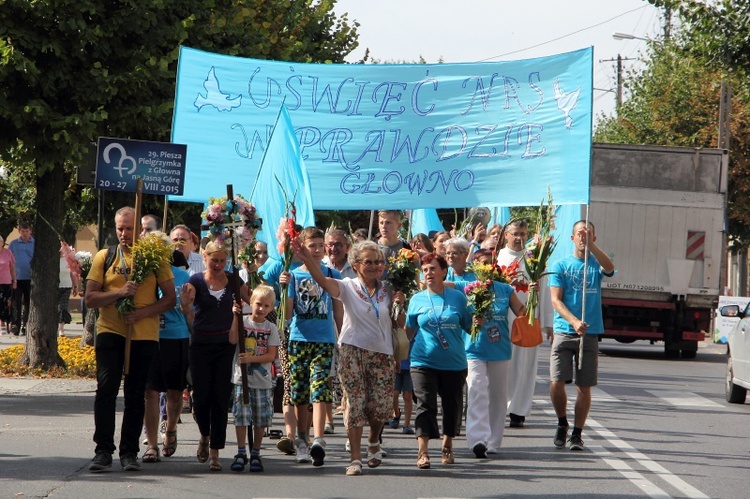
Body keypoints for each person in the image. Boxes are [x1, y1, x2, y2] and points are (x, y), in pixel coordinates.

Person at [292, 238, 405, 476]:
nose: (375, 266)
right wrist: (308, 260)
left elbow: (398, 323)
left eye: (378, 262)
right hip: (352, 351)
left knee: (381, 408)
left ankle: (373, 439)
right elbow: (322, 281)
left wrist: (400, 305)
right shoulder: (347, 286)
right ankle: (355, 459)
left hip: (382, 353)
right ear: (355, 264)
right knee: (354, 405)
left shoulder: (388, 289)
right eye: (368, 262)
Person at [86, 207, 176, 472]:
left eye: (129, 228)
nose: (124, 234)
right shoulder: (105, 256)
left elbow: (170, 298)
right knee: (106, 389)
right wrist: (118, 293)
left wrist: (142, 313)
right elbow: (90, 298)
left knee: (136, 393)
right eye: (119, 228)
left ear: (140, 229)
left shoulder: (153, 258)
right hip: (111, 330)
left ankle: (129, 452)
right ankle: (103, 450)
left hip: (143, 334)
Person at [179, 241, 250, 471]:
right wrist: (186, 305)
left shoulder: (234, 279)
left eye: (222, 260)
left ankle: (215, 452)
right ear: (205, 257)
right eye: (214, 260)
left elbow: (253, 298)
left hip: (225, 344)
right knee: (201, 397)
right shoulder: (196, 281)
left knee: (221, 398)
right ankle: (204, 435)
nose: (218, 265)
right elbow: (187, 309)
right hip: (200, 344)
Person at [548, 220, 615, 451]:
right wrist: (574, 321)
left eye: (587, 234)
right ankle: (561, 422)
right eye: (579, 233)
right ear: (572, 237)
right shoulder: (561, 265)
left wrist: (591, 248)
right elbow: (555, 300)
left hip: (590, 332)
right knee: (557, 382)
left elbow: (610, 267)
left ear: (593, 238)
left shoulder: (595, 264)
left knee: (583, 386)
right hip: (565, 331)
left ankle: (577, 433)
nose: (582, 237)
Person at [405, 254, 475, 469]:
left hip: (453, 362)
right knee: (424, 404)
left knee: (451, 405)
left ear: (444, 272)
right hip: (422, 360)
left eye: (433, 268)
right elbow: (408, 331)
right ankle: (423, 451)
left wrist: (479, 319)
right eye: (425, 269)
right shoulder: (416, 299)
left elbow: (469, 327)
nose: (429, 273)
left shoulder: (457, 297)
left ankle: (447, 445)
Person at [285, 227, 342, 467]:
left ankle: (318, 439)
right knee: (299, 393)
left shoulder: (332, 273)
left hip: (324, 340)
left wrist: (342, 337)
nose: (318, 250)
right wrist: (282, 287)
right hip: (299, 339)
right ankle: (301, 440)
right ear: (302, 249)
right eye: (312, 246)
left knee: (320, 390)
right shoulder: (294, 276)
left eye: (321, 245)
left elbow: (338, 309)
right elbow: (287, 314)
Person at [464, 264, 526, 458]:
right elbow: (444, 284)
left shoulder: (504, 289)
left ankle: (493, 441)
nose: (486, 274)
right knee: (476, 389)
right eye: (481, 268)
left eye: (489, 269)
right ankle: (477, 439)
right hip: (473, 349)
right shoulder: (467, 286)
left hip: (500, 349)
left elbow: (522, 312)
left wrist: (532, 295)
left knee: (498, 396)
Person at [498, 218, 550, 430]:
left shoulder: (534, 259)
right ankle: (501, 405)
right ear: (506, 235)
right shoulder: (497, 257)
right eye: (515, 233)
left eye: (523, 234)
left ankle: (518, 410)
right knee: (502, 365)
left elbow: (544, 291)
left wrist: (547, 325)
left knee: (524, 365)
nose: (519, 238)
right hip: (502, 319)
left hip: (527, 318)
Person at [142, 249, 191, 464]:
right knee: (150, 392)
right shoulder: (144, 275)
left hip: (176, 336)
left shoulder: (182, 276)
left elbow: (190, 312)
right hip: (149, 337)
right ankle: (152, 444)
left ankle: (170, 428)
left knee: (174, 391)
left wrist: (187, 307)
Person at [229, 285, 280, 473]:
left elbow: (271, 355)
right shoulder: (243, 322)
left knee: (260, 419)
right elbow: (233, 340)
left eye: (267, 306)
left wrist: (251, 359)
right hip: (242, 379)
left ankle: (256, 452)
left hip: (262, 380)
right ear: (250, 303)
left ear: (271, 308)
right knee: (241, 417)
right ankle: (241, 451)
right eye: (258, 304)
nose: (261, 309)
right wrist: (235, 317)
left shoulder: (270, 328)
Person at [8, 221, 34, 336]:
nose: (24, 233)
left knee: (29, 304)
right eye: (22, 231)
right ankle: (15, 325)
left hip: (31, 278)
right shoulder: (14, 244)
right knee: (16, 303)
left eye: (27, 231)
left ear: (30, 232)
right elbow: (9, 261)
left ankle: (26, 325)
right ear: (19, 232)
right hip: (17, 278)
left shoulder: (35, 243)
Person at [57, 247, 79, 337]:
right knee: (56, 308)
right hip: (55, 287)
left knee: (62, 307)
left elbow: (72, 274)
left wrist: (75, 286)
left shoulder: (67, 260)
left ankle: (61, 329)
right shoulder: (53, 260)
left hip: (66, 286)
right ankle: (54, 327)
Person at [0, 235, 16, 335]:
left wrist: (15, 281)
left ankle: (4, 322)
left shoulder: (8, 252)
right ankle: (1, 325)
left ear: (2, 243)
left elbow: (12, 268)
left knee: (5, 304)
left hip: (6, 282)